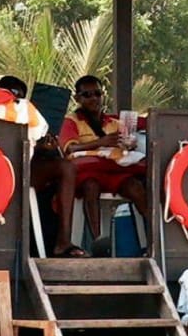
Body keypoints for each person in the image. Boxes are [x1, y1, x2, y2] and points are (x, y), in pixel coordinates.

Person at [0, 76, 86, 258]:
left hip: (24, 168)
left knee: (66, 168)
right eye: (9, 94)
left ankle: (63, 242)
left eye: (18, 97)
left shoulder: (25, 112)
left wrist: (44, 145)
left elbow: (29, 144)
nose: (13, 100)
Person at [59, 75, 149, 255]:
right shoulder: (71, 121)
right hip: (88, 172)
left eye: (97, 93)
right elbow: (70, 148)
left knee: (136, 187)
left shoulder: (115, 122)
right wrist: (102, 142)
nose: (93, 98)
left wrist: (129, 143)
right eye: (87, 94)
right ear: (78, 98)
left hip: (114, 170)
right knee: (90, 187)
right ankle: (97, 243)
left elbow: (142, 127)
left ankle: (153, 241)